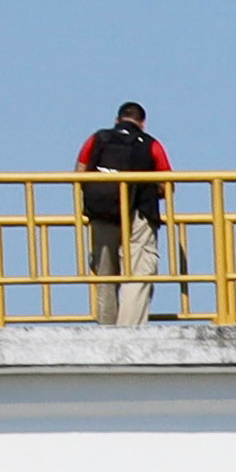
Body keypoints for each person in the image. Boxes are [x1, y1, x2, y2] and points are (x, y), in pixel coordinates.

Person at [75, 102, 171, 326]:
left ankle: (106, 326)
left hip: (102, 213)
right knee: (138, 272)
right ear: (143, 123)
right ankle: (129, 329)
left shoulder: (97, 139)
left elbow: (79, 173)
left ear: (116, 119)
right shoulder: (151, 144)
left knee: (105, 273)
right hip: (139, 213)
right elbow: (167, 185)